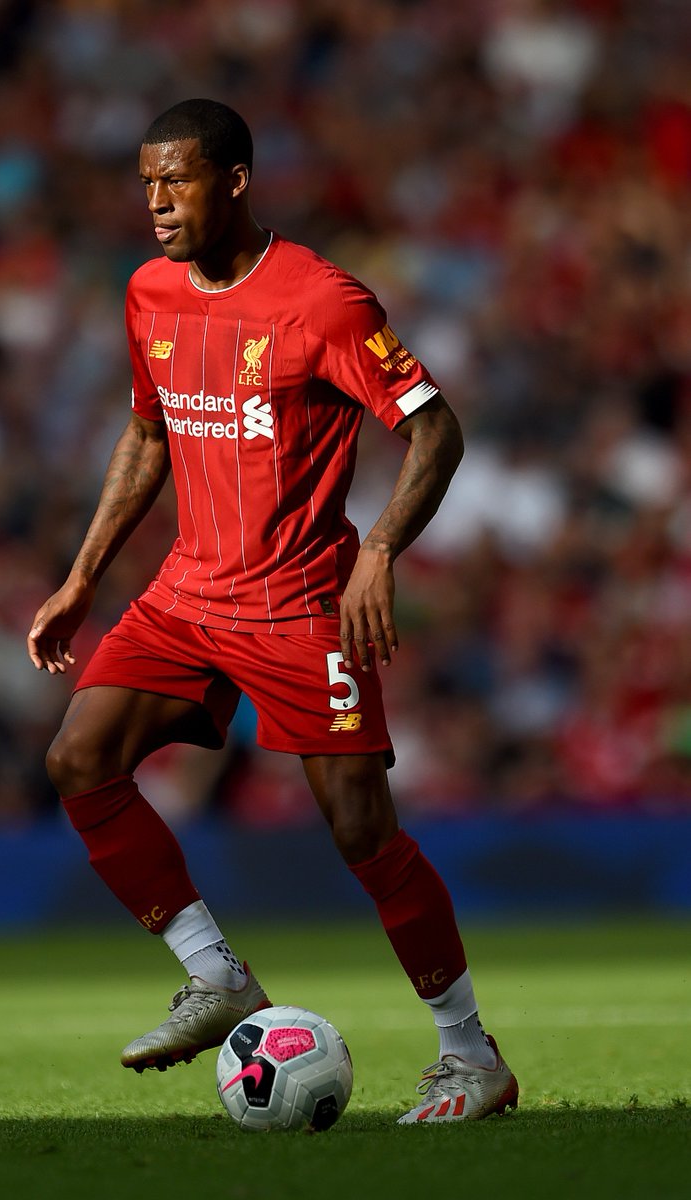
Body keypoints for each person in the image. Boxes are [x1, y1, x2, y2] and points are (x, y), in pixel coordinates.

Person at [26, 98, 518, 1125]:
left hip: (299, 603)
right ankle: (216, 976)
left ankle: (472, 1056)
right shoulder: (149, 292)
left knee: (361, 830)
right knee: (79, 758)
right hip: (186, 593)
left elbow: (437, 431)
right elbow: (149, 437)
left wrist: (378, 550)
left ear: (237, 180)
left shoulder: (323, 304)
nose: (157, 202)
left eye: (178, 180)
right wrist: (81, 577)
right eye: (147, 183)